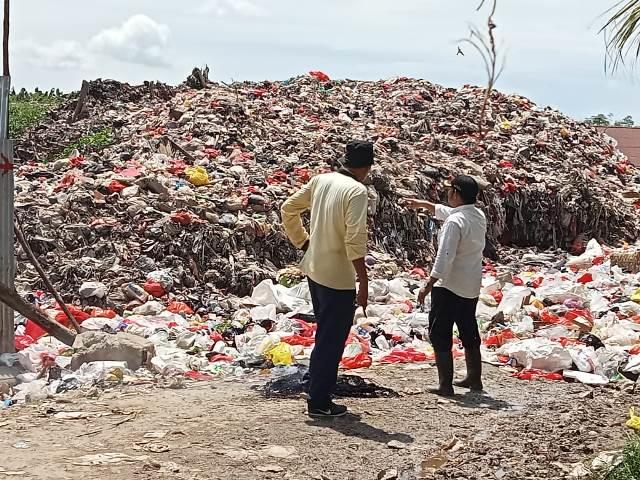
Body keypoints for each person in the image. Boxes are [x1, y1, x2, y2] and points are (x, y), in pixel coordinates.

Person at [281, 140, 373, 418]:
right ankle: (319, 401)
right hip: (337, 277)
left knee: (325, 334)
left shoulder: (321, 180)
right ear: (367, 167)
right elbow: (355, 238)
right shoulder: (357, 191)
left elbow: (288, 208)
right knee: (331, 339)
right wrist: (363, 281)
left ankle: (316, 386)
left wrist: (303, 242)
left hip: (314, 269)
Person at [404, 175, 487, 397]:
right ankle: (474, 378)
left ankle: (445, 385)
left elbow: (445, 256)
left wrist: (429, 283)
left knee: (440, 332)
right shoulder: (477, 215)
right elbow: (446, 211)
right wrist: (423, 204)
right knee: (468, 328)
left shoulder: (454, 222)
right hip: (470, 284)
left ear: (456, 194)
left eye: (450, 190)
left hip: (448, 285)